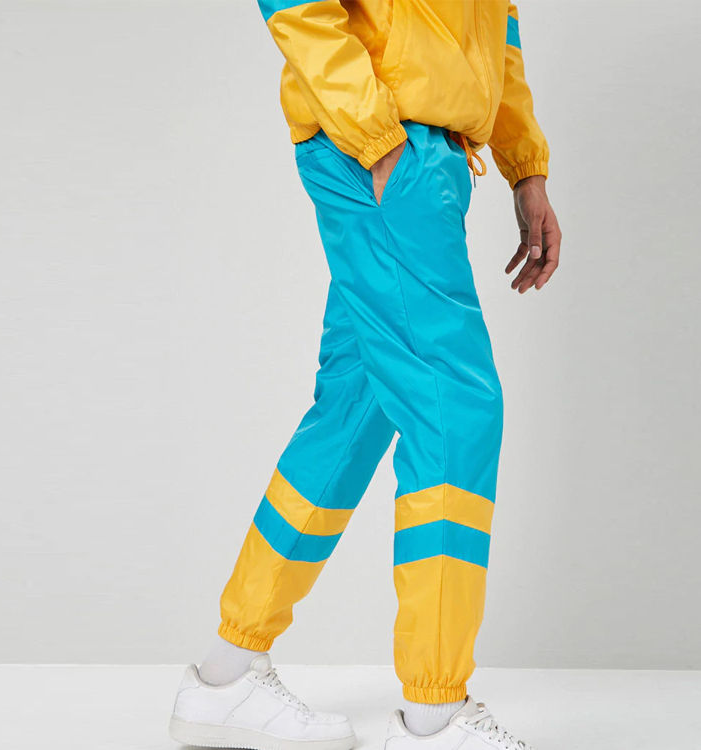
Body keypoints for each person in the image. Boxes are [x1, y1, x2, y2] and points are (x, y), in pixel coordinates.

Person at [169, 2, 561, 749]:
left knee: (355, 407)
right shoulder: (382, 144)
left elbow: (496, 27)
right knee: (454, 408)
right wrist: (379, 141)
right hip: (382, 148)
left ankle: (225, 677)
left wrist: (526, 168)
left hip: (426, 156)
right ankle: (433, 718)